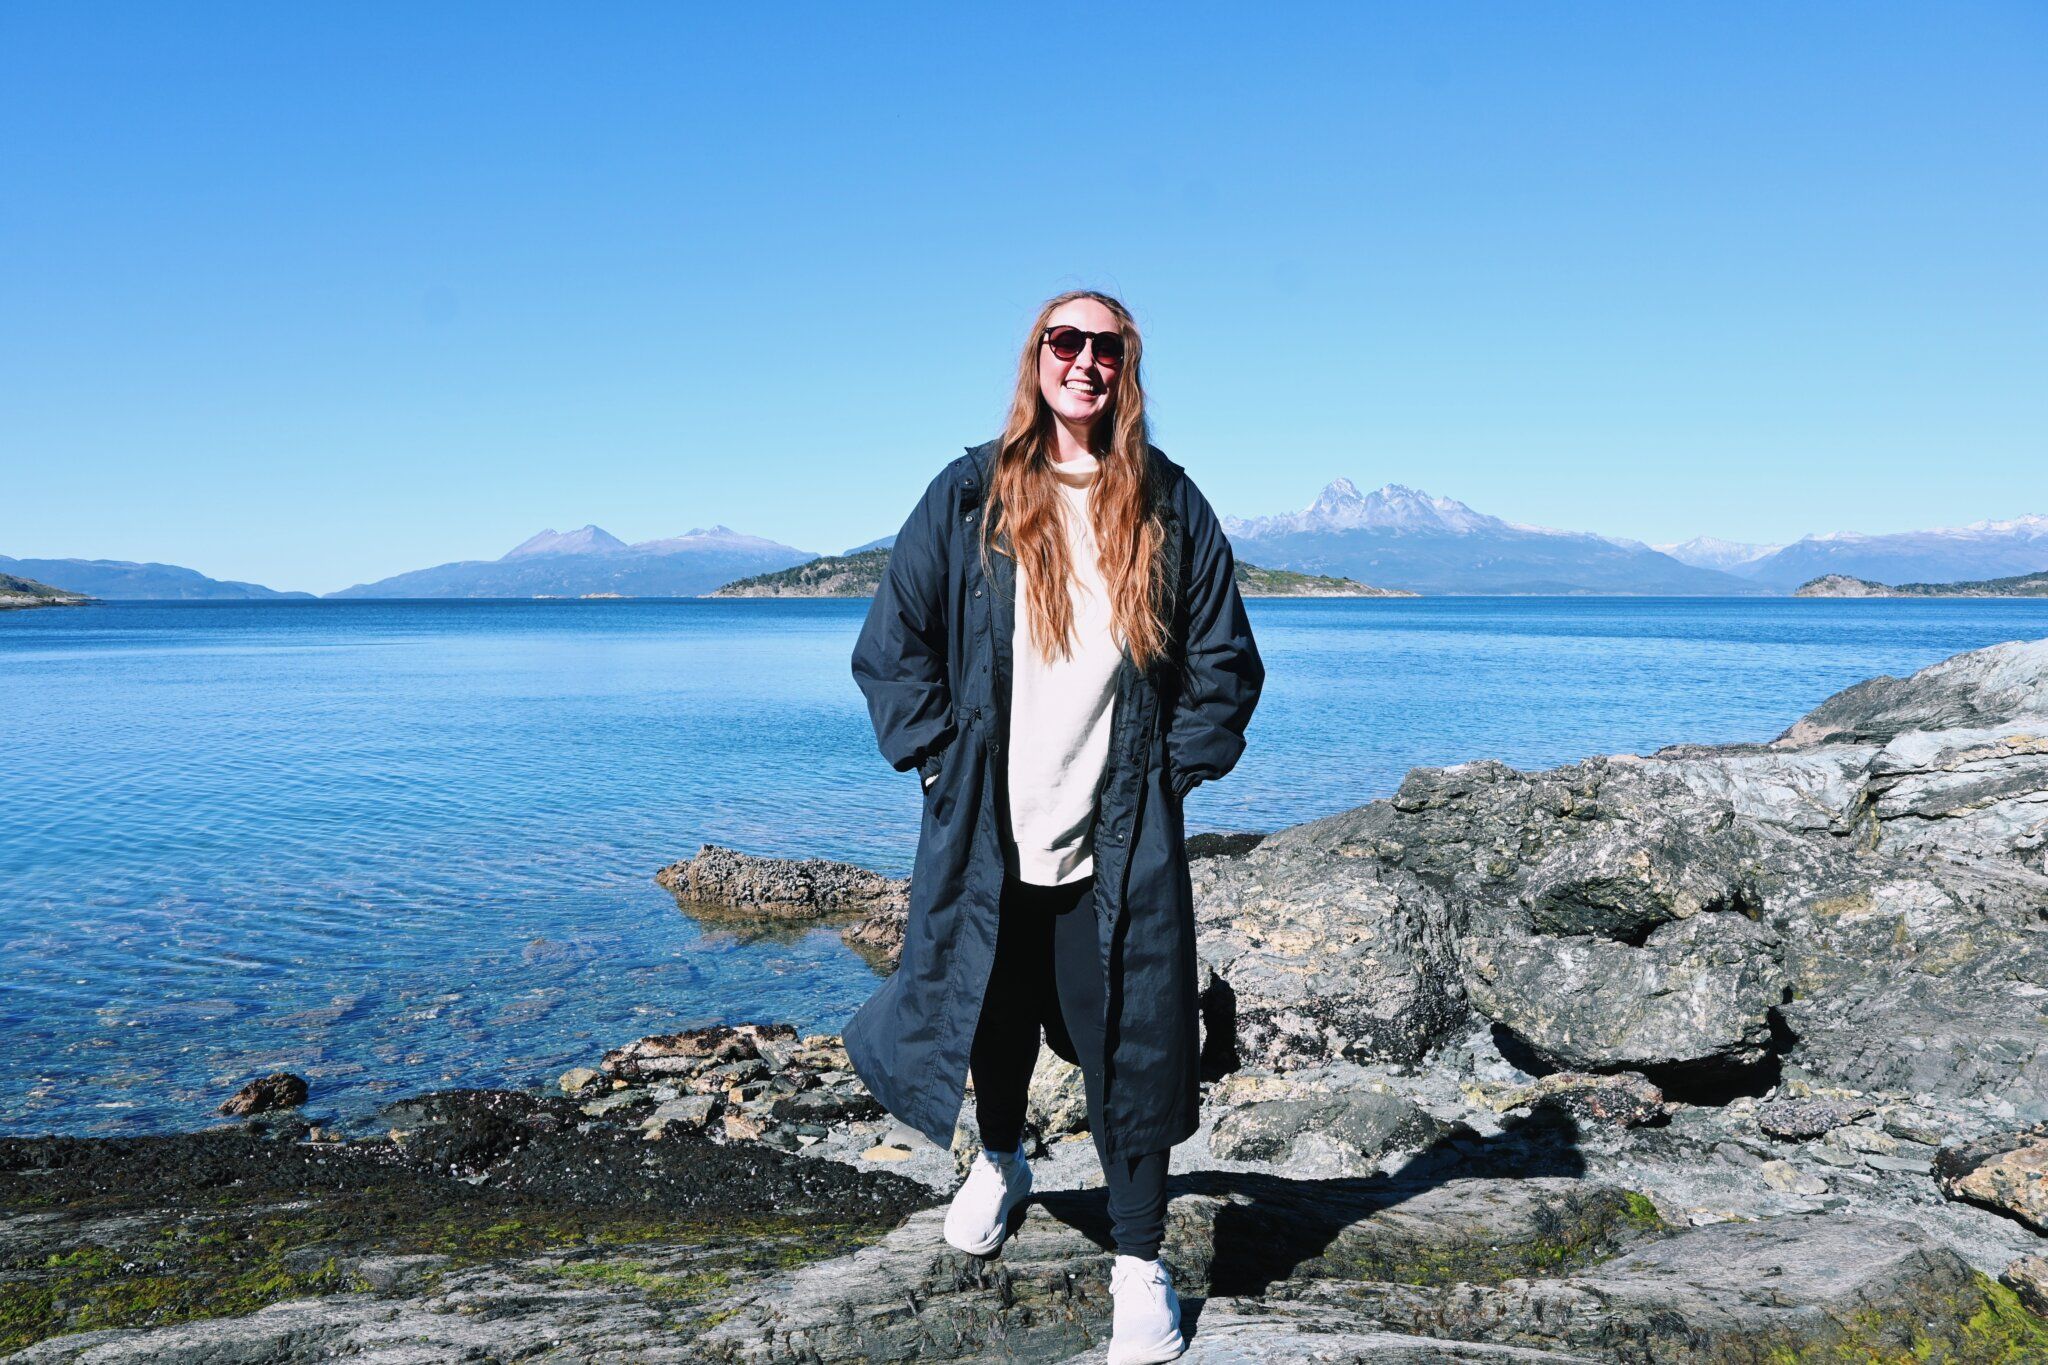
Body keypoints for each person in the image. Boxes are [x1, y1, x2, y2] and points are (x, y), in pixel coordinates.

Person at [847, 289, 1264, 1364]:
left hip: (1114, 841)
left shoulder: (1166, 500)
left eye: (1104, 346)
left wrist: (1172, 774)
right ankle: (1000, 1157)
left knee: (1129, 1039)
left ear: (1127, 367)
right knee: (990, 1009)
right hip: (987, 825)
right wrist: (938, 757)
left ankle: (1137, 1262)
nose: (1083, 360)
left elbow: (1224, 662)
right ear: (1034, 357)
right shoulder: (970, 492)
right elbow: (892, 642)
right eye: (1062, 341)